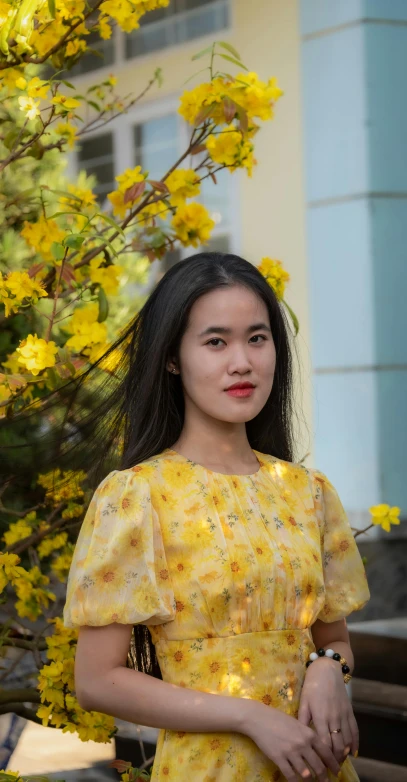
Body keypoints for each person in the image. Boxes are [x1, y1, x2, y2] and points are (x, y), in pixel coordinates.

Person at [62, 252, 370, 782]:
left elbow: (332, 640)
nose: (242, 362)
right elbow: (96, 681)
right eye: (215, 341)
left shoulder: (307, 492)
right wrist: (250, 717)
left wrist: (328, 669)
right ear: (172, 358)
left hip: (315, 769)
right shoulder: (137, 496)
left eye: (257, 337)